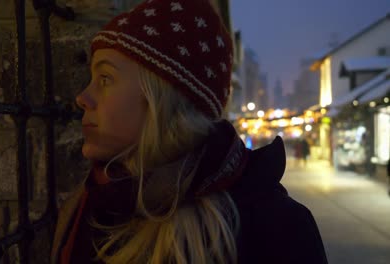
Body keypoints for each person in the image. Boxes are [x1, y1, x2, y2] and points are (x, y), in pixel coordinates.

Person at [51, 0, 328, 263]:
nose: (82, 97)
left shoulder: (275, 229)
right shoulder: (92, 206)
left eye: (105, 78)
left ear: (162, 100)